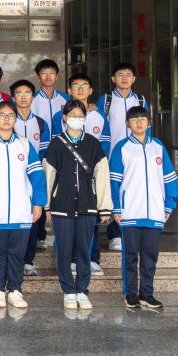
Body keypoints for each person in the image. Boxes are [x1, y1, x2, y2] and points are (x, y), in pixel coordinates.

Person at [0, 101, 47, 310]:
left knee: (17, 253)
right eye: (2, 115)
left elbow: (37, 176)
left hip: (21, 211)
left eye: (10, 115)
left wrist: (38, 203)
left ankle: (15, 290)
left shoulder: (24, 145)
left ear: (16, 119)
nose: (6, 119)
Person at [43, 100, 113, 311]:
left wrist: (104, 206)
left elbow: (102, 175)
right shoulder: (56, 144)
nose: (76, 119)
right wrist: (47, 206)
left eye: (80, 116)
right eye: (72, 115)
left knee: (84, 249)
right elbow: (48, 175)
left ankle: (82, 290)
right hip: (61, 205)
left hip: (87, 205)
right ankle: (68, 291)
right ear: (64, 118)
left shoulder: (92, 143)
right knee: (63, 250)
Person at [109, 106, 178, 311]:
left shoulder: (158, 146)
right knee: (130, 255)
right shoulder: (122, 148)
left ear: (149, 122)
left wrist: (169, 204)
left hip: (155, 212)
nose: (139, 122)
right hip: (130, 211)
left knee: (150, 255)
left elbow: (169, 178)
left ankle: (147, 294)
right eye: (134, 119)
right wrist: (116, 207)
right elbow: (114, 181)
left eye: (142, 119)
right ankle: (130, 294)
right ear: (127, 124)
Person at [52, 72, 110, 277]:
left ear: (90, 90)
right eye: (76, 86)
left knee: (89, 216)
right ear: (69, 90)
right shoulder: (60, 116)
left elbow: (105, 143)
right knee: (65, 222)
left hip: (89, 174)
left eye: (84, 86)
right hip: (66, 175)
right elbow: (57, 146)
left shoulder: (98, 115)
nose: (80, 89)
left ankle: (92, 258)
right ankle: (67, 260)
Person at [97, 62, 149, 252]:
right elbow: (99, 126)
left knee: (134, 192)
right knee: (115, 192)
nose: (124, 78)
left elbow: (147, 128)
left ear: (134, 78)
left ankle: (131, 232)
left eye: (128, 74)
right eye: (120, 74)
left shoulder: (141, 101)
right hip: (113, 155)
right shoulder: (106, 100)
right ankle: (115, 234)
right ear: (113, 78)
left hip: (136, 156)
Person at [10, 79, 51, 276]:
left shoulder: (41, 123)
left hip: (34, 176)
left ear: (33, 97)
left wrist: (36, 172)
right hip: (12, 177)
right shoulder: (7, 120)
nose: (23, 96)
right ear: (13, 97)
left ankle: (28, 260)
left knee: (33, 216)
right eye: (19, 93)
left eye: (27, 93)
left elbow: (44, 153)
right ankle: (13, 258)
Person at [32, 59, 69, 130]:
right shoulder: (31, 99)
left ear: (56, 76)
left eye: (51, 73)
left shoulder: (66, 98)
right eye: (44, 73)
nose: (48, 77)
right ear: (38, 77)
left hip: (62, 137)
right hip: (40, 136)